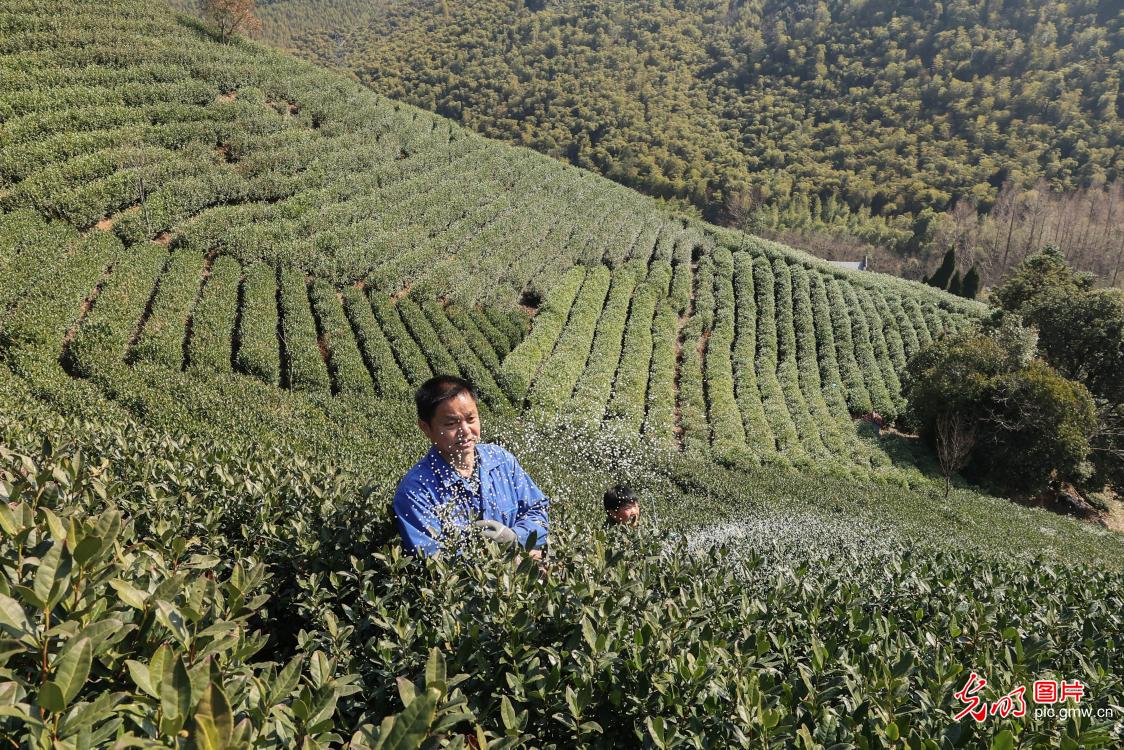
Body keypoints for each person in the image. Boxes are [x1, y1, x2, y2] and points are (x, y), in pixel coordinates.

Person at [393, 375, 549, 558]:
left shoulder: (501, 461)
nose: (465, 431)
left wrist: (516, 538)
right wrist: (506, 556)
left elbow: (538, 510)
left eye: (471, 419)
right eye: (451, 423)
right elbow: (434, 559)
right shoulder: (416, 492)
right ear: (426, 428)